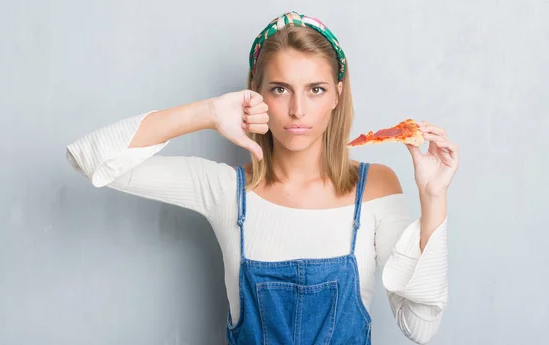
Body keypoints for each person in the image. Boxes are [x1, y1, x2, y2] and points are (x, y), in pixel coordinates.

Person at [66, 10, 458, 345]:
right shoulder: (225, 191)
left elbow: (420, 325)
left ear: (338, 95)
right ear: (255, 93)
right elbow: (92, 158)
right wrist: (209, 112)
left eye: (316, 89)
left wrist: (433, 198)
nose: (298, 109)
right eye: (280, 88)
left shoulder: (375, 187)